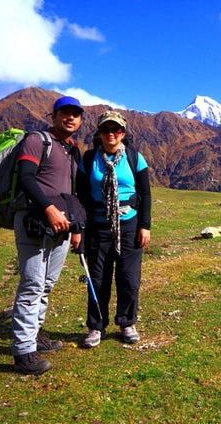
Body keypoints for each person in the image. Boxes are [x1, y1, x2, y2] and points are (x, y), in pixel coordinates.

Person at [11, 95, 84, 375]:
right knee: (32, 284)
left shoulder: (71, 148)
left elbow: (73, 192)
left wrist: (76, 228)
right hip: (34, 221)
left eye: (75, 114)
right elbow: (27, 177)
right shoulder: (37, 141)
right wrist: (49, 209)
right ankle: (23, 352)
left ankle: (35, 335)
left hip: (63, 225)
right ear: (53, 116)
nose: (70, 118)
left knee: (47, 283)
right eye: (65, 113)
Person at [76, 110, 151, 349]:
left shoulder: (135, 158)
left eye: (116, 129)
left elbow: (145, 194)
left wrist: (145, 225)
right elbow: (80, 196)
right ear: (99, 133)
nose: (111, 133)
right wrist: (79, 228)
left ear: (123, 133)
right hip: (97, 227)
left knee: (129, 278)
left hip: (129, 225)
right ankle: (95, 326)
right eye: (106, 129)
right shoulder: (88, 160)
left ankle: (127, 322)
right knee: (97, 279)